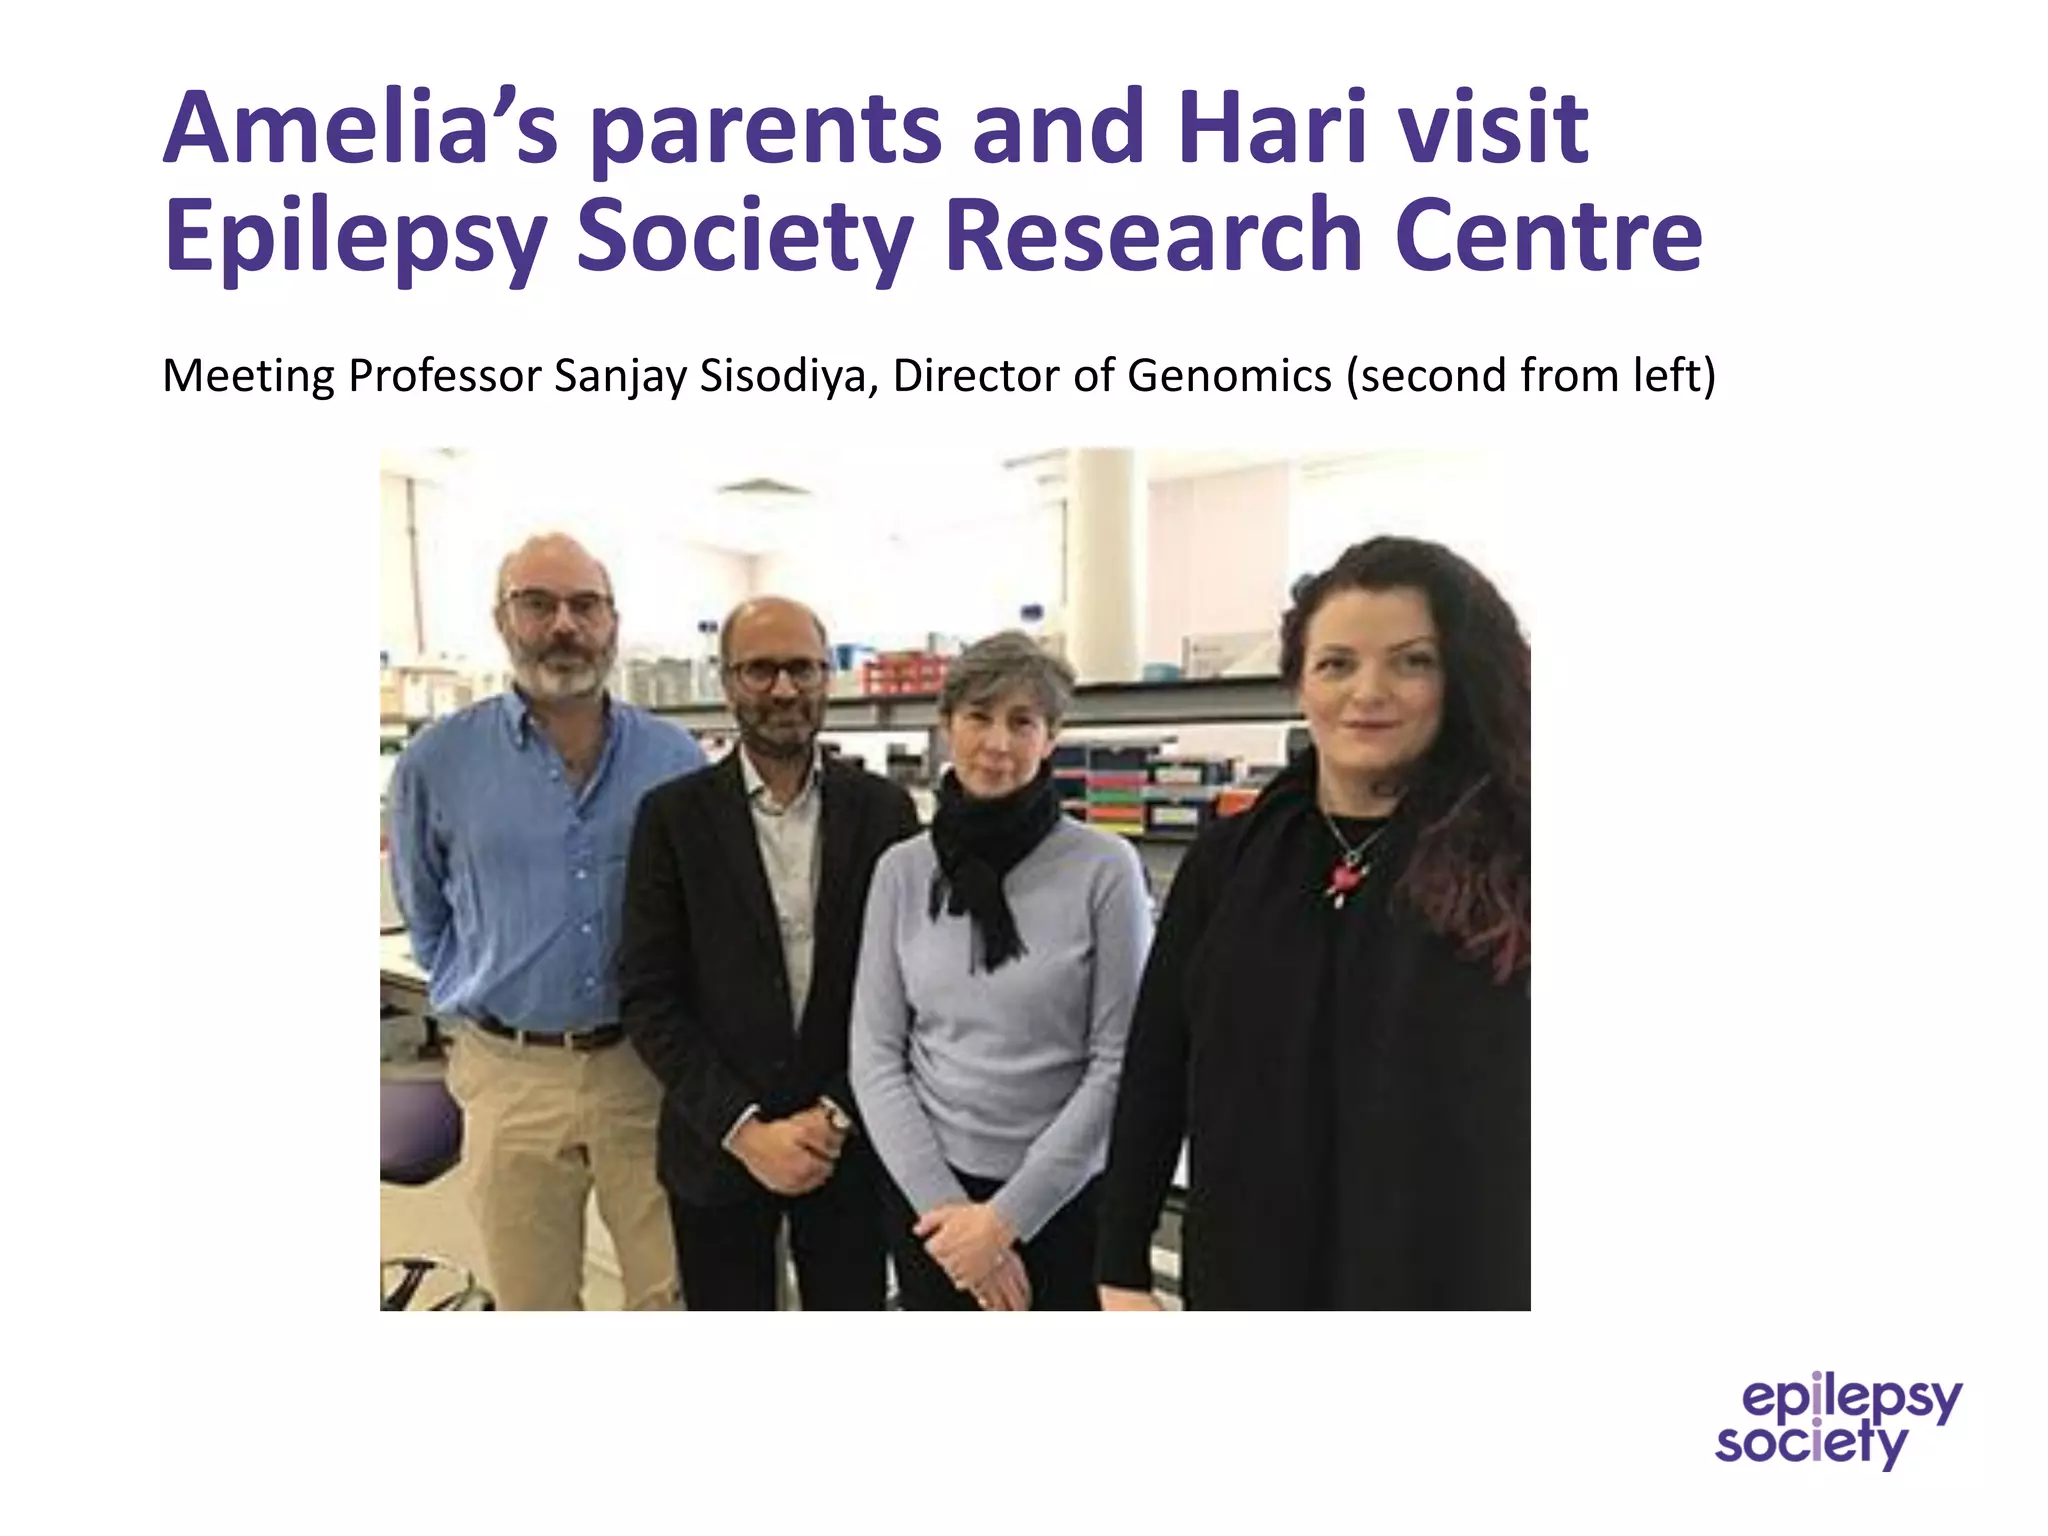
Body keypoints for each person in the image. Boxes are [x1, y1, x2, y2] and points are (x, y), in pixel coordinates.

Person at [1097, 535, 1531, 1310]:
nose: (1369, 692)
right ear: (1300, 681)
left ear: (1460, 677)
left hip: (1446, 1276)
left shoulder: (1516, 861)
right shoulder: (1231, 860)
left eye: (1412, 661)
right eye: (1336, 663)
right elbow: (1158, 1065)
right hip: (1250, 1268)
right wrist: (1121, 1262)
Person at [386, 532, 707, 1310]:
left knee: (671, 1294)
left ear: (612, 622)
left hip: (644, 1069)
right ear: (503, 620)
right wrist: (484, 988)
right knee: (534, 1301)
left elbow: (699, 908)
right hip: (509, 1072)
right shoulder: (437, 761)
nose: (564, 624)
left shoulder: (673, 757)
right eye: (538, 603)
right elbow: (425, 910)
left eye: (584, 605)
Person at [619, 597, 920, 1309]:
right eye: (760, 669)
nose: (784, 689)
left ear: (826, 678)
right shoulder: (671, 817)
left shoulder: (885, 812)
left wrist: (835, 1113)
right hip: (718, 1146)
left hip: (847, 1146)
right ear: (728, 681)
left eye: (802, 668)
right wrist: (746, 1132)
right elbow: (649, 995)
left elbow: (912, 987)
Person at [850, 632, 1152, 1311]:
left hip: (1066, 1199)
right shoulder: (902, 871)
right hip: (931, 1199)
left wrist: (1004, 1222)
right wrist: (951, 1217)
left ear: (1052, 737)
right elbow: (875, 1055)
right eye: (979, 716)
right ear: (946, 725)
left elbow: (1119, 1063)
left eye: (1023, 721)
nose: (997, 743)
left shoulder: (1106, 870)